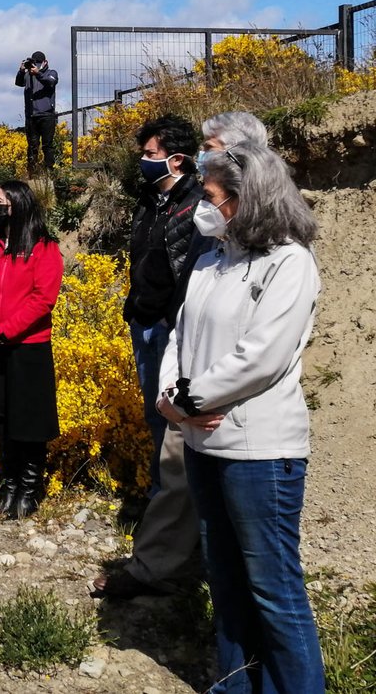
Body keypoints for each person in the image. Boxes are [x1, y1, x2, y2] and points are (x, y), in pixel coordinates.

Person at [158, 142, 324, 692]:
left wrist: (188, 400)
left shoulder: (290, 263)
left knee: (273, 590)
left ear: (245, 198)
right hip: (204, 445)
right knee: (225, 580)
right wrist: (171, 397)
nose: (201, 207)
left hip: (259, 452)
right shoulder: (210, 261)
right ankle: (232, 684)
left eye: (209, 196)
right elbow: (179, 337)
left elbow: (262, 355)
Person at [92, 114, 207, 599]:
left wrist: (167, 319)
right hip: (144, 325)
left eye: (151, 153)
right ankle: (167, 515)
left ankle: (176, 544)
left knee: (175, 432)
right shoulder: (152, 200)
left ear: (176, 159)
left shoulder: (198, 205)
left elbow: (192, 274)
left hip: (171, 331)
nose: (143, 161)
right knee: (156, 422)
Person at [0, 181, 63, 520]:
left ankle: (30, 486)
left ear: (19, 204)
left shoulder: (43, 247)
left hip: (27, 347)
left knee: (29, 420)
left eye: (1, 201)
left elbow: (43, 298)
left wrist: (7, 329)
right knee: (2, 417)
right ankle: (9, 482)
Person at [14, 51, 60, 176]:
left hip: (47, 115)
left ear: (45, 62)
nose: (36, 65)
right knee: (32, 146)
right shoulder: (28, 75)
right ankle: (32, 173)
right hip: (31, 116)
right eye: (35, 63)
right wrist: (21, 71)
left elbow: (51, 82)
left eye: (39, 63)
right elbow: (18, 83)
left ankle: (50, 172)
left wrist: (38, 73)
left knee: (47, 145)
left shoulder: (51, 73)